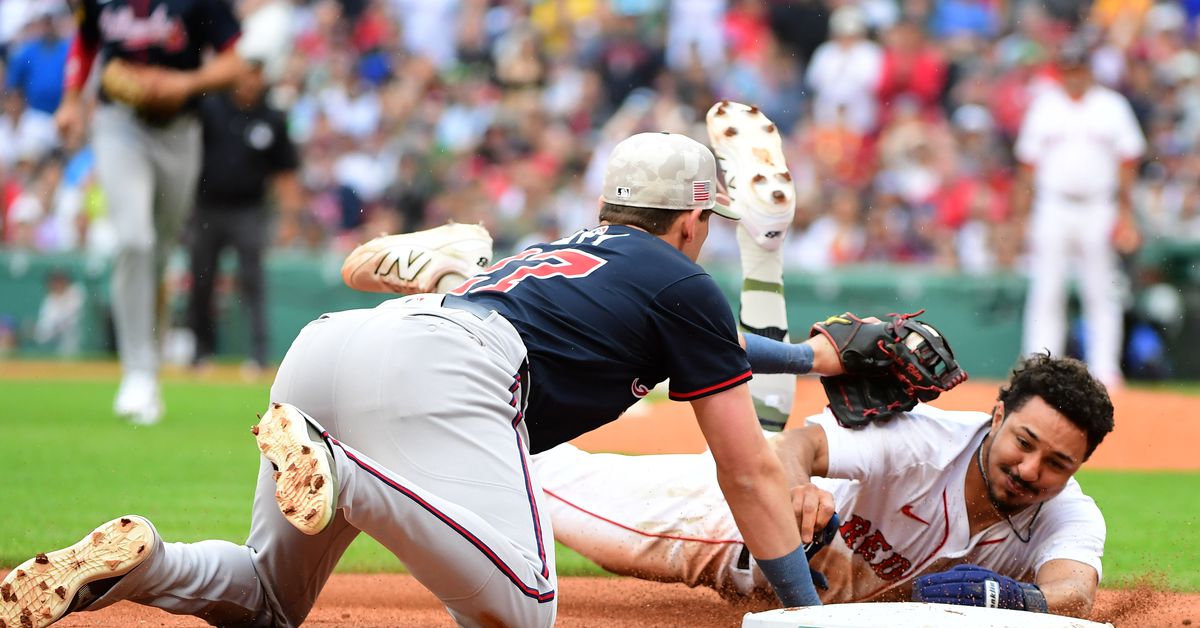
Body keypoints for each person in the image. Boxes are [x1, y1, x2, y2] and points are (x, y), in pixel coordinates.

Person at [1, 128, 843, 627]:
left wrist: (814, 358)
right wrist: (802, 610)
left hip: (338, 347)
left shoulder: (563, 254)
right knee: (524, 612)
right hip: (444, 374)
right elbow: (744, 467)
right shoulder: (681, 283)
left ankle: (145, 565)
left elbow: (711, 350)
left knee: (269, 602)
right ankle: (345, 474)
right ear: (695, 218)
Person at [532, 352, 1113, 619]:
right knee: (544, 487)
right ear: (997, 415)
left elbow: (1075, 595)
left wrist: (1015, 600)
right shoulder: (927, 443)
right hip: (720, 530)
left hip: (801, 596)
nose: (1032, 470)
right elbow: (798, 446)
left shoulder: (1068, 514)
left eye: (1058, 463)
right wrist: (795, 491)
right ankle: (460, 305)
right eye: (1025, 442)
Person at [54, 0, 245, 425]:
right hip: (119, 123)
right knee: (134, 240)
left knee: (157, 255)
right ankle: (137, 373)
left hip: (180, 130)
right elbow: (86, 43)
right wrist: (70, 100)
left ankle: (149, 368)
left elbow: (235, 63)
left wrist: (184, 82)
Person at [1013, 37, 1145, 389]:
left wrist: (1126, 214)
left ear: (1089, 70)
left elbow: (1129, 161)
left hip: (1099, 205)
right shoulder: (1045, 105)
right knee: (1046, 289)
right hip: (1052, 204)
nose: (1073, 75)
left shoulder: (1111, 106)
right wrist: (1020, 218)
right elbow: (1027, 166)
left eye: (1079, 68)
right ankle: (1037, 368)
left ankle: (1106, 371)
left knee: (1101, 291)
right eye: (1068, 69)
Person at [188, 58, 302, 372]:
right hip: (207, 207)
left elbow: (285, 171)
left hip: (249, 209)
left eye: (256, 74)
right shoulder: (210, 110)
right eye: (246, 74)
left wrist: (290, 217)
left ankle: (259, 354)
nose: (251, 82)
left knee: (253, 280)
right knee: (201, 280)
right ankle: (200, 352)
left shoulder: (272, 118)